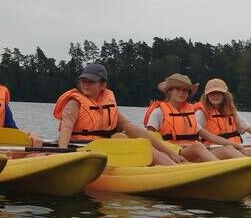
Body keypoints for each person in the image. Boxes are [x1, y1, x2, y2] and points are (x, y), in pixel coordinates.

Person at [53, 63, 185, 165]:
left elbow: (133, 129)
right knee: (122, 138)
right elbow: (66, 128)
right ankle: (173, 168)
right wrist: (63, 155)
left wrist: (169, 152)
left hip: (104, 150)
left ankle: (172, 165)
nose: (86, 84)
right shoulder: (74, 103)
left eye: (91, 81)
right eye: (83, 80)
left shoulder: (107, 104)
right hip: (83, 150)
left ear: (103, 85)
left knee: (135, 140)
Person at [144, 73, 251, 162]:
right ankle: (220, 169)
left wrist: (236, 145)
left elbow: (211, 137)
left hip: (193, 153)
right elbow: (148, 139)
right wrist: (172, 151)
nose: (182, 93)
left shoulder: (189, 113)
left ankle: (248, 166)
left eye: (185, 90)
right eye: (177, 89)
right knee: (198, 146)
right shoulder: (158, 113)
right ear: (169, 91)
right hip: (173, 153)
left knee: (227, 149)